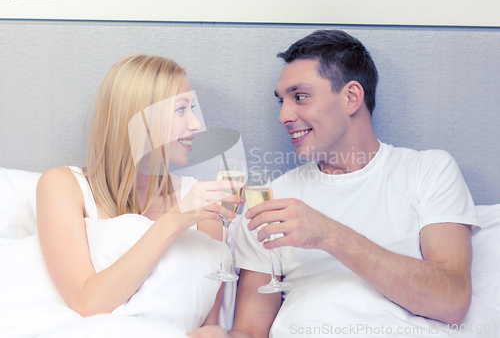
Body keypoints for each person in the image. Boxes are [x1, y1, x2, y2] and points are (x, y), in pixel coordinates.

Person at [230, 30, 480, 338]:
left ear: (351, 97)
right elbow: (250, 330)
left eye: (300, 97)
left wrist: (328, 234)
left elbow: (452, 300)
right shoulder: (273, 199)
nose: (283, 115)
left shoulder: (426, 171)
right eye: (282, 101)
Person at [36, 54, 243, 337]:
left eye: (192, 108)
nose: (196, 124)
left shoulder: (202, 204)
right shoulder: (62, 185)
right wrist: (173, 221)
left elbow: (206, 320)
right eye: (181, 110)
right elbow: (87, 303)